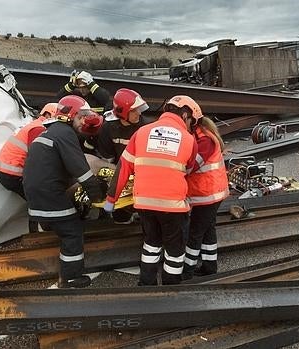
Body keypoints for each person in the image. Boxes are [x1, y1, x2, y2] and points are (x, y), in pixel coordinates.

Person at [104, 95, 198, 286]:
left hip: (144, 204)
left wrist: (111, 199)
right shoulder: (189, 139)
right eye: (191, 121)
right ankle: (171, 286)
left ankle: (146, 284)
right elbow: (188, 171)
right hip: (173, 206)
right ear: (186, 115)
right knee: (174, 250)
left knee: (151, 243)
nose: (191, 125)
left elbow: (123, 168)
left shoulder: (141, 132)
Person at [23, 95, 104, 288]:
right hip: (50, 193)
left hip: (35, 193)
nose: (84, 122)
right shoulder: (65, 134)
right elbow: (82, 172)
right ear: (71, 116)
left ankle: (48, 228)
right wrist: (99, 197)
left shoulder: (49, 132)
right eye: (81, 117)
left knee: (61, 222)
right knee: (73, 232)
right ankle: (71, 279)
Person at [180, 99, 230, 280]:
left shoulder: (204, 140)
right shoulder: (201, 135)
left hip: (207, 194)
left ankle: (187, 269)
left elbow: (190, 166)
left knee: (195, 231)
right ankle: (210, 266)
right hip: (209, 193)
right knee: (208, 228)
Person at [0, 102, 57, 232]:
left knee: (36, 198)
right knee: (38, 199)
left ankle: (37, 229)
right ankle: (41, 231)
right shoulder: (39, 129)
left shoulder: (35, 125)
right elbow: (37, 157)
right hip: (12, 174)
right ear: (49, 115)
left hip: (7, 172)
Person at [97, 88, 149, 224]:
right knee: (121, 218)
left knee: (148, 219)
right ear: (122, 112)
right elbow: (106, 161)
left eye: (139, 109)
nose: (138, 113)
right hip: (120, 176)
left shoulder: (145, 127)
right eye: (134, 110)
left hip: (143, 177)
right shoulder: (108, 128)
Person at [57, 70, 112, 155]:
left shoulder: (97, 96)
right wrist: (70, 85)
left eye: (84, 87)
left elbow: (105, 98)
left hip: (95, 132)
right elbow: (60, 97)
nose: (82, 90)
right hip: (81, 131)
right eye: (80, 87)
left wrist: (92, 84)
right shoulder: (77, 95)